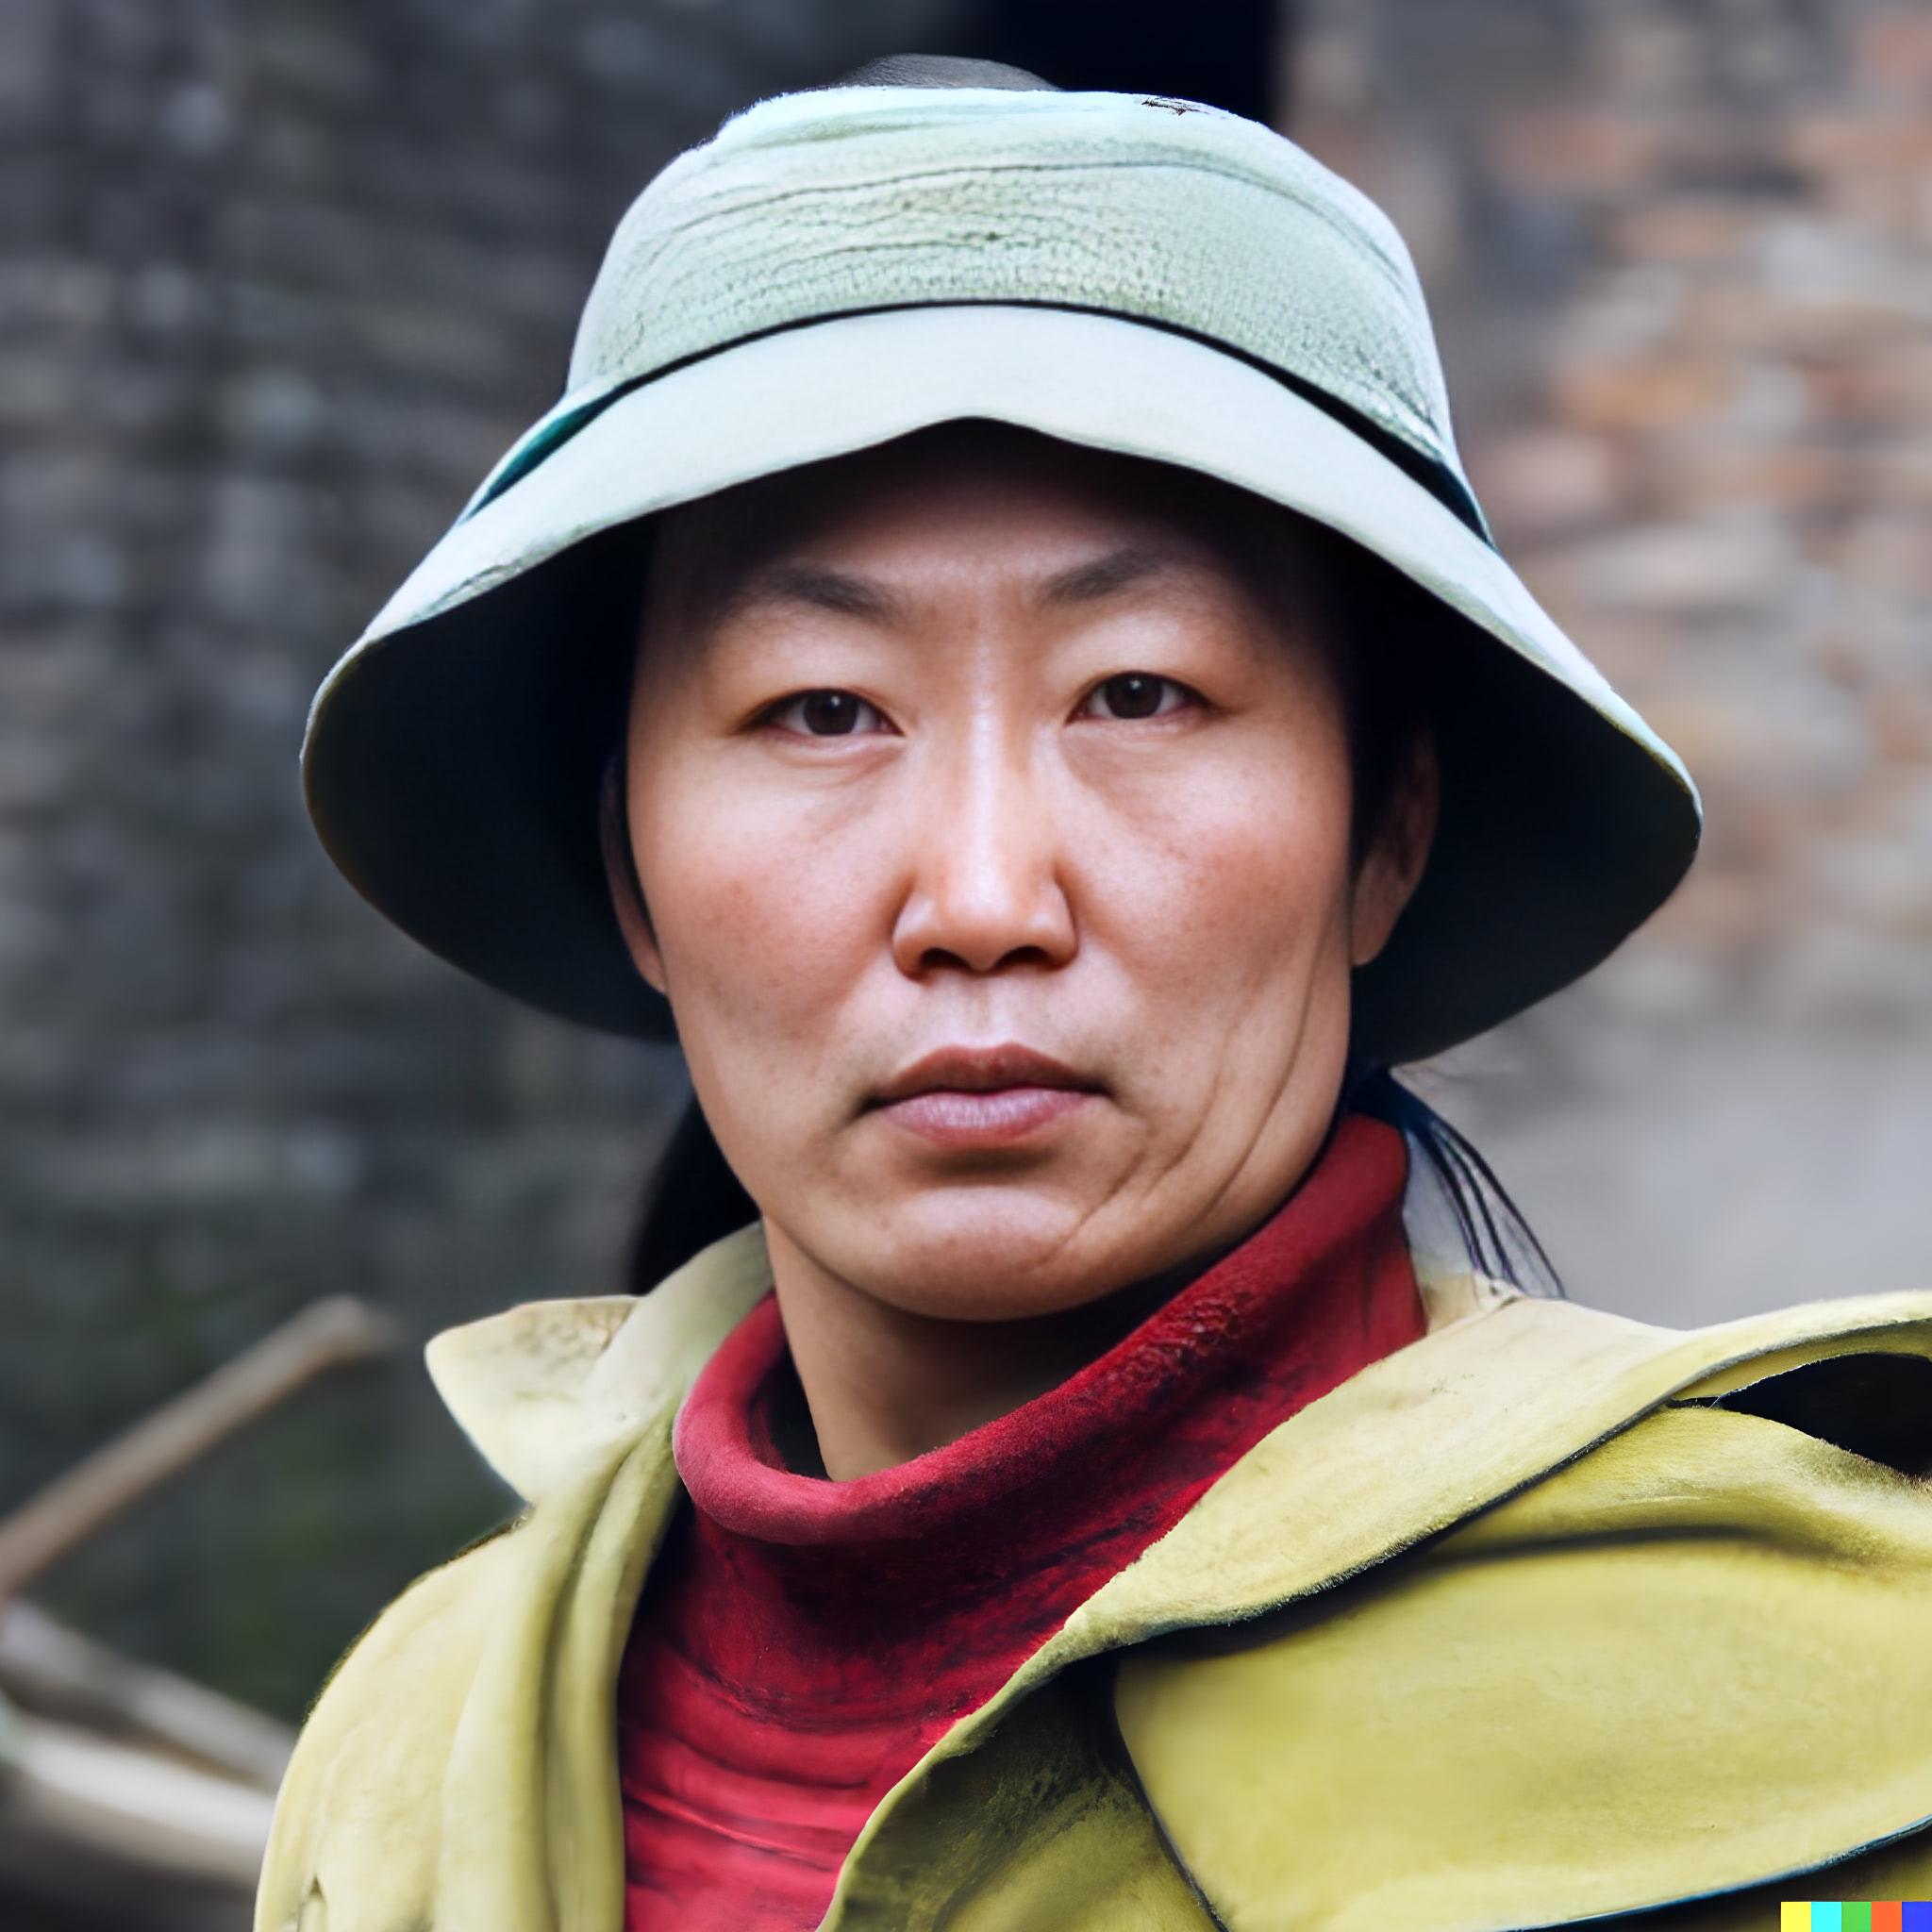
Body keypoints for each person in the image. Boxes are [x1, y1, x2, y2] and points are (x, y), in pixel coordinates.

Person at [259, 57, 1932, 1932]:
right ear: (630, 864)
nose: (981, 897)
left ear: (1385, 829)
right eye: (819, 707)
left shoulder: (1839, 1747)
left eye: (1141, 691)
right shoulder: (406, 1768)